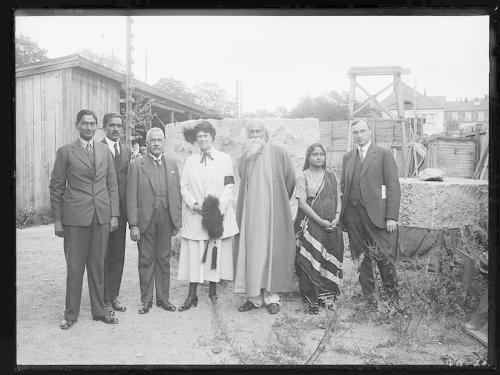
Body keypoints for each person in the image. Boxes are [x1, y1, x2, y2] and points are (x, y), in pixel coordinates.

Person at [49, 109, 120, 329]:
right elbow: (56, 187)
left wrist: (114, 214)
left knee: (98, 266)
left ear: (97, 126)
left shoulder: (103, 150)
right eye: (84, 123)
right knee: (75, 268)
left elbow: (112, 185)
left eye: (92, 124)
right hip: (75, 219)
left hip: (101, 217)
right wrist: (58, 220)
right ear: (77, 125)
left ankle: (100, 311)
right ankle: (71, 314)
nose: (89, 127)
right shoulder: (66, 152)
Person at [233, 121, 296, 315]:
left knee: (272, 254)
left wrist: (277, 203)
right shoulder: (245, 157)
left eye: (258, 131)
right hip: (250, 218)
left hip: (272, 215)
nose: (254, 135)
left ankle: (272, 298)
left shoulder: (279, 154)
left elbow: (290, 181)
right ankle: (253, 298)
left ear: (265, 134)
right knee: (251, 253)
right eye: (251, 131)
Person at [177, 121, 239, 311]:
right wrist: (194, 205)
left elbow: (229, 184)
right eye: (199, 136)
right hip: (195, 215)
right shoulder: (190, 160)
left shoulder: (224, 159)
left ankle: (212, 291)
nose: (202, 138)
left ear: (212, 137)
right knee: (195, 251)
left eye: (206, 135)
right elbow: (184, 186)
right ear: (196, 139)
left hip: (216, 214)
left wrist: (218, 207)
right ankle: (192, 294)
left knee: (214, 250)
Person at [340, 119, 401, 305]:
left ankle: (392, 301)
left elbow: (393, 186)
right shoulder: (348, 157)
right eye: (355, 132)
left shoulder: (383, 154)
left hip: (377, 216)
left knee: (384, 257)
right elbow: (344, 185)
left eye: (362, 131)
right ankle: (370, 300)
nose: (359, 135)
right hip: (353, 216)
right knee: (361, 258)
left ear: (370, 132)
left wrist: (391, 216)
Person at [126, 127, 182, 314]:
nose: (156, 143)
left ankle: (163, 298)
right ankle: (146, 300)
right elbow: (131, 196)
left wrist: (176, 220)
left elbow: (176, 194)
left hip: (166, 217)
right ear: (147, 143)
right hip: (145, 220)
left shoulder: (173, 164)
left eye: (159, 140)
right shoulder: (137, 165)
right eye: (153, 140)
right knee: (146, 259)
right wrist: (133, 224)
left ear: (164, 142)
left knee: (164, 259)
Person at [294, 143, 344, 315]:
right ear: (308, 157)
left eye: (321, 154)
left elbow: (338, 198)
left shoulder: (331, 176)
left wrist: (336, 217)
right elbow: (301, 203)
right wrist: (321, 221)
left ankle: (328, 297)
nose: (318, 157)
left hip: (332, 224)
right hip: (312, 224)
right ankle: (312, 299)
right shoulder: (303, 176)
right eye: (314, 154)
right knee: (313, 259)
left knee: (330, 259)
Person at [101, 113, 131, 314]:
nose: (115, 129)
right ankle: (103, 298)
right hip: (102, 211)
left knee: (118, 255)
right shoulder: (97, 148)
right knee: (102, 255)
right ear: (104, 128)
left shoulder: (127, 150)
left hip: (121, 212)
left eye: (119, 125)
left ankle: (114, 295)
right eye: (111, 125)